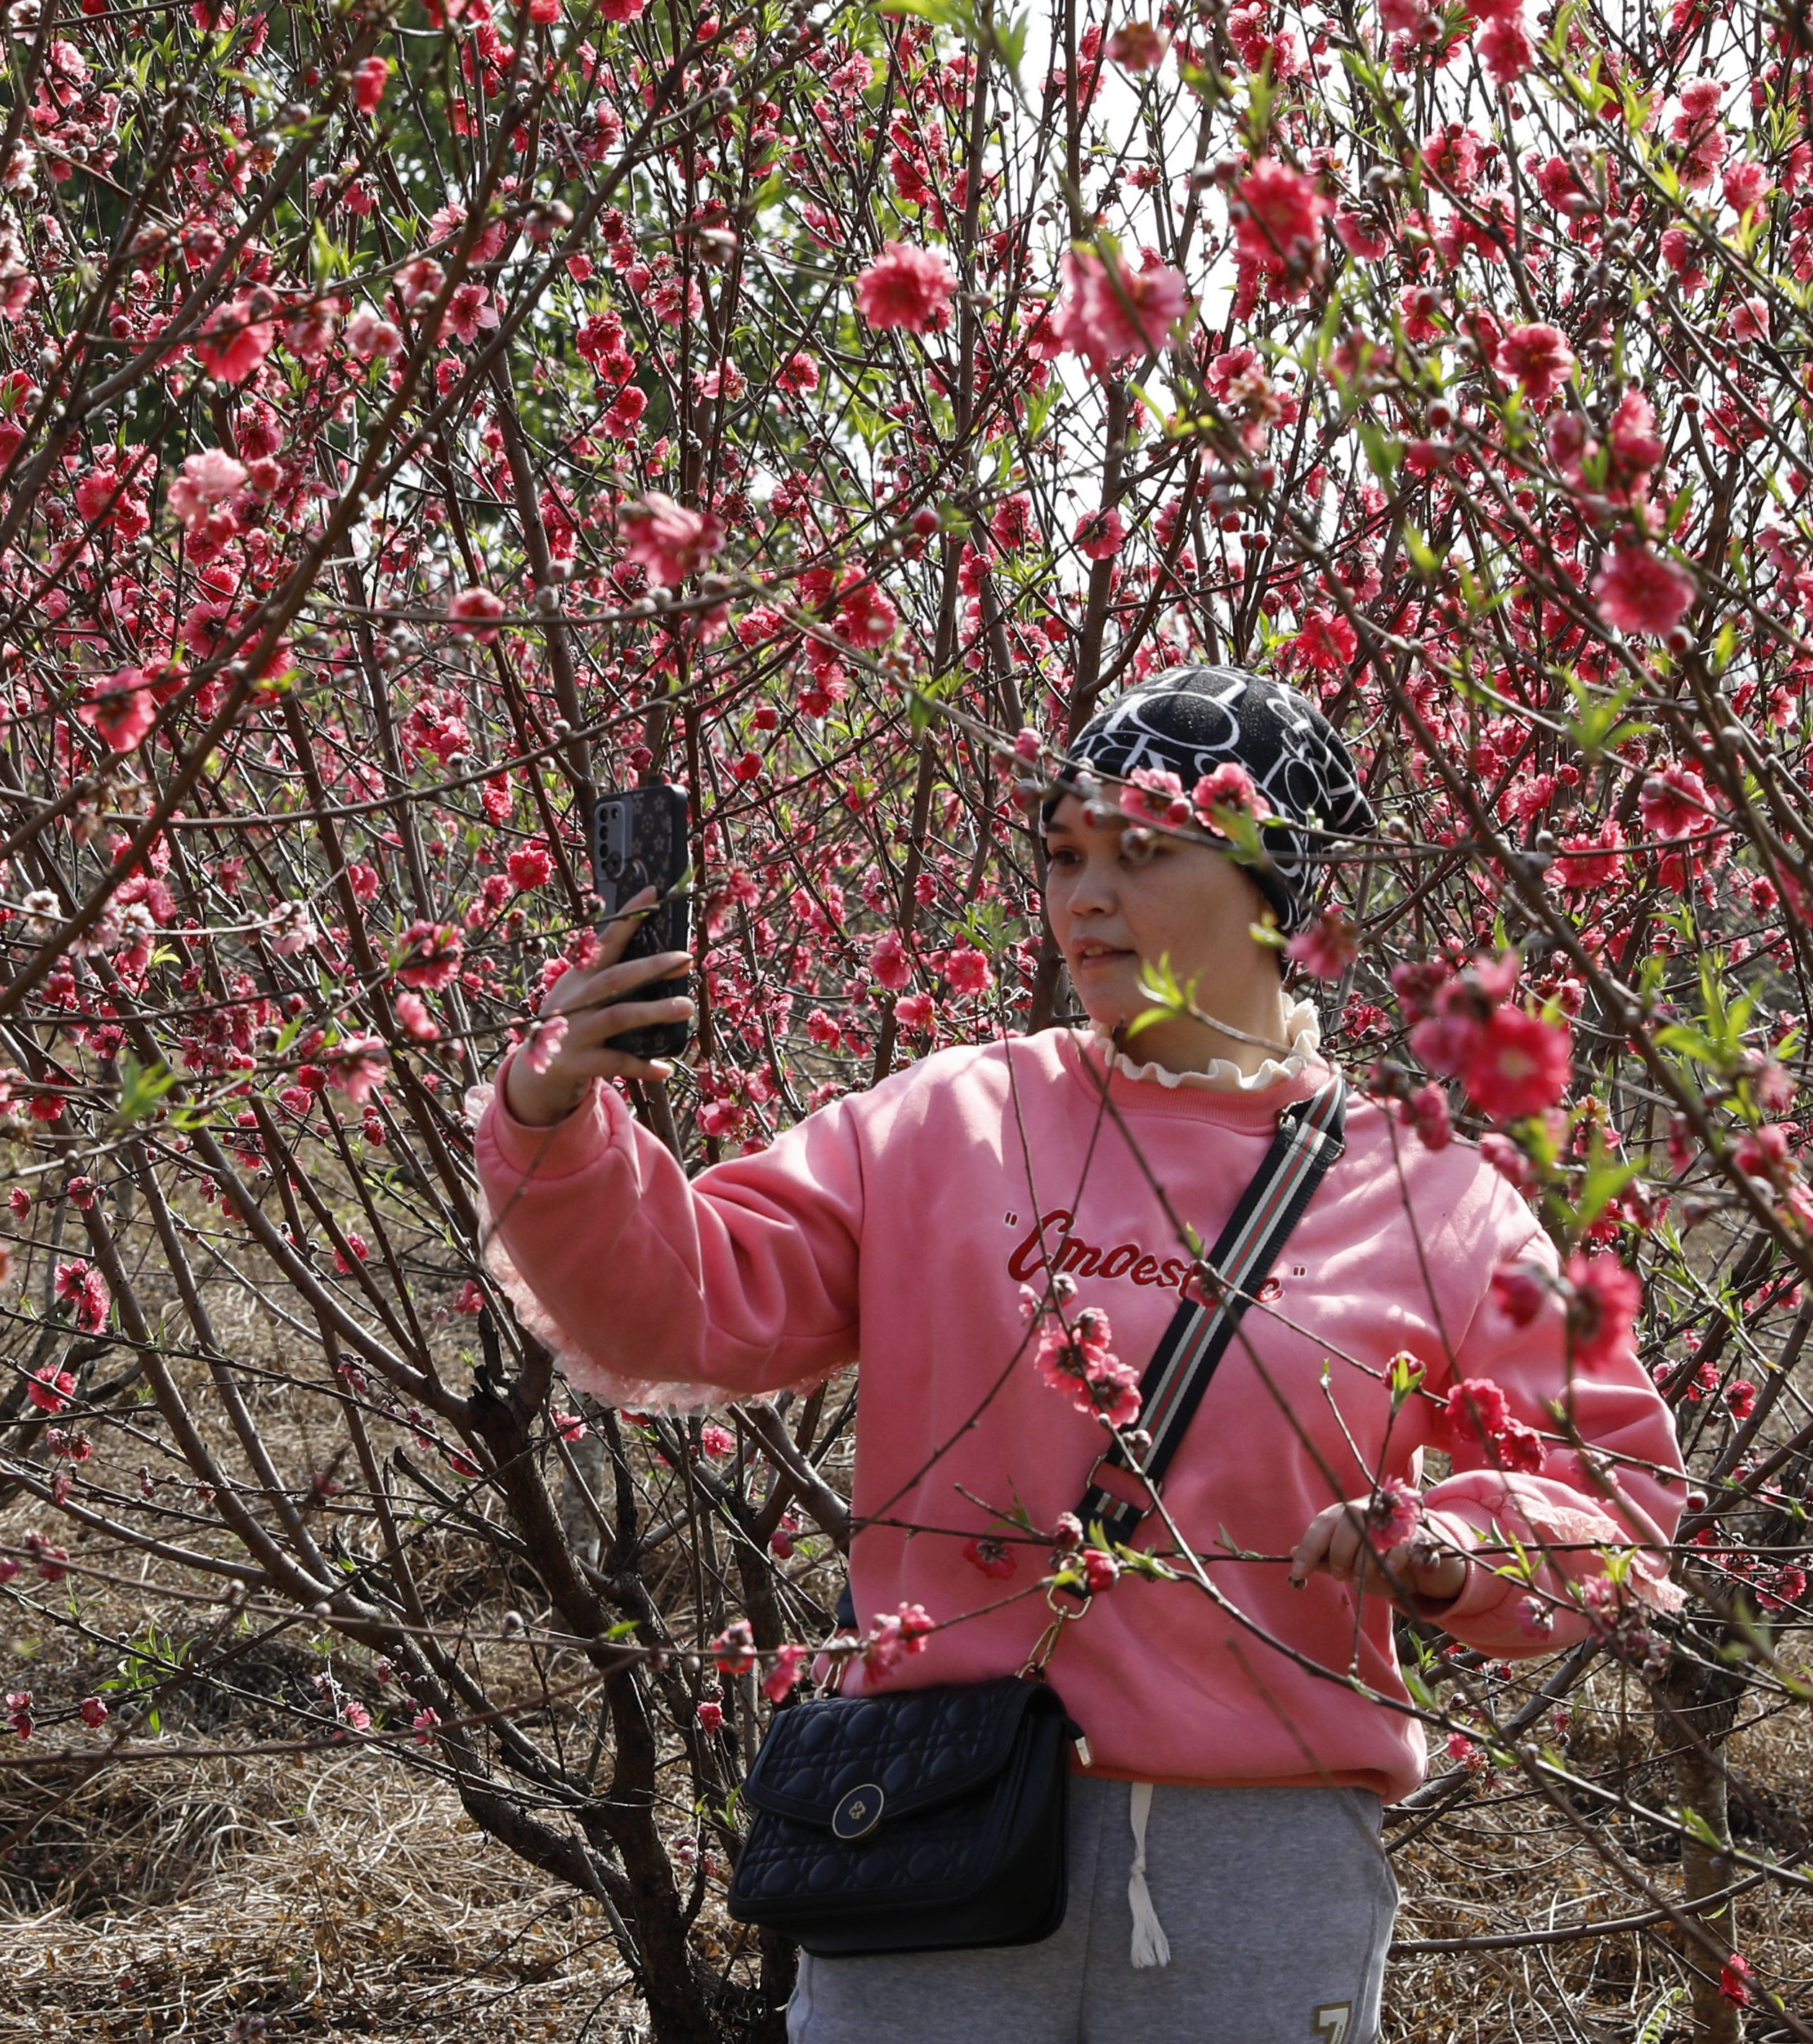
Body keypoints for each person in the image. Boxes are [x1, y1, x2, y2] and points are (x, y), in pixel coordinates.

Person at [469, 666, 1687, 2044]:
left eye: (1143, 853)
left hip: (1261, 1858)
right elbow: (687, 1307)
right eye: (1063, 852)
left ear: (1274, 890)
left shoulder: (1431, 1193)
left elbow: (1616, 1503)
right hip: (936, 1824)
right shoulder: (950, 1122)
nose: (1082, 897)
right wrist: (552, 1111)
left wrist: (1449, 1544)